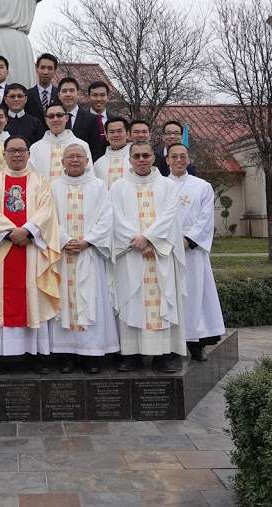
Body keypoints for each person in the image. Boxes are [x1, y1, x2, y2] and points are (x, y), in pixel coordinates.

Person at [0, 135, 62, 373]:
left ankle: (37, 355)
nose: (16, 155)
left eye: (21, 150)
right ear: (3, 154)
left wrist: (28, 231)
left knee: (33, 296)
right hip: (2, 250)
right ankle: (1, 356)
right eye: (11, 150)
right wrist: (10, 232)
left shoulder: (40, 182)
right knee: (1, 299)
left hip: (32, 249)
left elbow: (47, 211)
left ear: (28, 154)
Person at [109, 141, 188, 373]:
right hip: (131, 253)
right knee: (130, 301)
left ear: (154, 158)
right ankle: (131, 354)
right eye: (137, 156)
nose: (141, 159)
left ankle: (163, 355)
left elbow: (169, 215)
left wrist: (150, 238)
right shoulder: (118, 187)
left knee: (163, 301)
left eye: (146, 155)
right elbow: (115, 217)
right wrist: (137, 240)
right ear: (130, 159)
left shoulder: (167, 185)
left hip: (159, 253)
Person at [49, 144, 118, 374]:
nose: (75, 160)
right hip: (63, 254)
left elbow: (107, 217)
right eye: (70, 156)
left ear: (88, 161)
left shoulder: (99, 186)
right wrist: (65, 239)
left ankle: (92, 354)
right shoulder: (53, 188)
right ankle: (66, 354)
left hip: (90, 253)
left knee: (92, 301)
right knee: (64, 302)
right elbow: (48, 219)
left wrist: (88, 240)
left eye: (79, 156)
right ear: (63, 162)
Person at [166, 144, 226, 362]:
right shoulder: (160, 185)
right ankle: (171, 345)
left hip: (192, 251)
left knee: (195, 296)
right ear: (167, 160)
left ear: (189, 159)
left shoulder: (202, 186)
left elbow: (206, 217)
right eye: (174, 157)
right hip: (167, 252)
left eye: (183, 157)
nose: (179, 160)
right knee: (170, 297)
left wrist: (188, 239)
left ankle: (196, 344)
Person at [29, 103, 92, 180]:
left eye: (59, 115)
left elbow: (89, 176)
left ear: (66, 118)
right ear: (46, 120)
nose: (55, 119)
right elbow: (30, 177)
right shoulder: (35, 148)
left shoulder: (81, 145)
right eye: (51, 116)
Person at [57, 77, 103, 152]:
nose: (68, 94)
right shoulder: (53, 118)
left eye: (72, 91)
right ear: (59, 95)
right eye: (64, 91)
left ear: (78, 94)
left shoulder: (92, 119)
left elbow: (96, 150)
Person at [93, 117, 131, 189]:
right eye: (112, 132)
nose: (116, 135)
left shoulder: (137, 159)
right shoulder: (98, 163)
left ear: (127, 134)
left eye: (119, 131)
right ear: (106, 136)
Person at [86, 81, 117, 162]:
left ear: (108, 97)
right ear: (89, 97)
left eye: (102, 95)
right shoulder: (81, 119)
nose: (99, 99)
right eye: (95, 95)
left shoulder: (116, 121)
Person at [26, 53, 59, 120]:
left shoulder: (60, 95)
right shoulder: (27, 95)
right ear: (37, 69)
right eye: (42, 68)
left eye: (50, 68)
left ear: (55, 71)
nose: (45, 72)